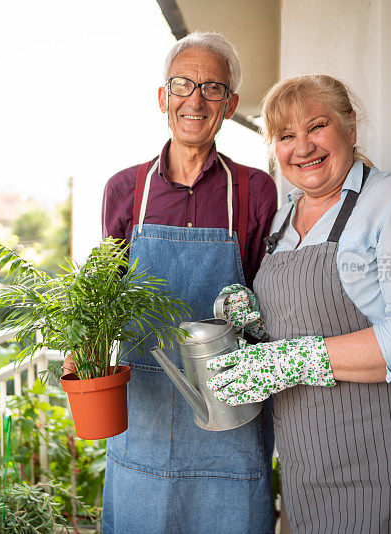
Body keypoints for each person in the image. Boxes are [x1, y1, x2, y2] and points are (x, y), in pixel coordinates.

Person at [206, 75, 391, 532]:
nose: (303, 147)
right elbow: (290, 328)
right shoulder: (280, 221)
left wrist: (296, 360)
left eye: (316, 126)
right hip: (310, 468)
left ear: (350, 128)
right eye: (285, 135)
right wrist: (254, 323)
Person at [90, 32, 278, 533]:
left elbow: (268, 301)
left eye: (213, 88)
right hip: (145, 409)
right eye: (183, 84)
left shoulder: (256, 192)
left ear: (231, 104)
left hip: (230, 405)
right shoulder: (125, 190)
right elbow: (102, 293)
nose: (196, 99)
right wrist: (81, 352)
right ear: (162, 97)